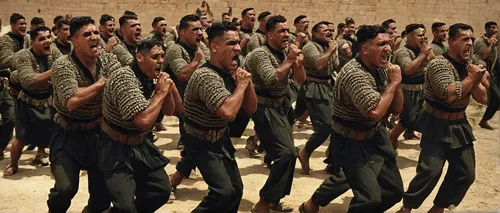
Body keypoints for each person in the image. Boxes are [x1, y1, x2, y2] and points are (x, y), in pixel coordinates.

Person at [397, 23, 488, 213]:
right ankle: (407, 207)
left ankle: (438, 207)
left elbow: (482, 97)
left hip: (459, 124)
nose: (470, 44)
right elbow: (449, 94)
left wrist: (475, 78)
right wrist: (472, 78)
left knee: (466, 173)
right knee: (430, 172)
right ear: (452, 41)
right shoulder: (439, 64)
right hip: (436, 123)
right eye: (465, 39)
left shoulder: (467, 66)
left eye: (471, 39)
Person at [47, 16, 121, 213]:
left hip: (99, 135)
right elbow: (71, 100)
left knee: (102, 197)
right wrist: (101, 84)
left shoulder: (108, 59)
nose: (94, 37)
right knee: (64, 189)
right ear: (74, 41)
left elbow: (121, 85)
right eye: (87, 34)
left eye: (96, 33)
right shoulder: (63, 64)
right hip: (67, 135)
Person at [97, 39, 181, 212]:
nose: (160, 61)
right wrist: (160, 93)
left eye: (162, 56)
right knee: (125, 206)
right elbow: (142, 120)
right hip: (116, 146)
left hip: (140, 143)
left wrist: (169, 89)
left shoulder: (152, 77)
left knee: (160, 191)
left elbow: (172, 110)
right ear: (140, 58)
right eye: (155, 56)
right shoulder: (124, 78)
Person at [182, 21, 257, 212]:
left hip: (219, 138)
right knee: (222, 193)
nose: (238, 48)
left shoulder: (230, 72)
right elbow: (228, 113)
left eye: (238, 43)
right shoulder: (206, 76)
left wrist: (246, 85)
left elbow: (251, 108)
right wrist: (241, 85)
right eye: (231, 43)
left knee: (236, 190)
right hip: (200, 142)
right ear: (214, 47)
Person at [329, 25, 404, 212]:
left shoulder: (379, 68)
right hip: (351, 142)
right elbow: (375, 112)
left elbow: (396, 109)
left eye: (388, 43)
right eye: (381, 44)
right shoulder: (355, 73)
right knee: (369, 199)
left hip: (374, 137)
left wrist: (396, 84)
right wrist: (393, 83)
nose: (388, 48)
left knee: (394, 192)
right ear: (364, 49)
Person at [245, 15, 306, 213]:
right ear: (270, 35)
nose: (286, 34)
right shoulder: (260, 54)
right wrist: (289, 59)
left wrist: (297, 64)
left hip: (281, 107)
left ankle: (275, 199)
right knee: (285, 153)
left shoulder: (284, 53)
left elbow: (300, 79)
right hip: (264, 108)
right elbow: (271, 80)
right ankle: (264, 202)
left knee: (289, 155)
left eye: (287, 30)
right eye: (281, 31)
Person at [5, 26, 63, 175]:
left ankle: (40, 154)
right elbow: (29, 81)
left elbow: (64, 66)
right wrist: (55, 71)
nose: (47, 41)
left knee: (48, 132)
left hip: (47, 100)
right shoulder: (22, 56)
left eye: (49, 37)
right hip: (26, 101)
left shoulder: (53, 50)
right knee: (21, 136)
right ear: (33, 41)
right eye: (42, 38)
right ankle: (13, 164)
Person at [297, 21, 339, 175]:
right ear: (314, 34)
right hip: (314, 88)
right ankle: (305, 152)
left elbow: (335, 65)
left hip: (328, 87)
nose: (328, 33)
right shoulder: (310, 47)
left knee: (338, 125)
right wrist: (331, 51)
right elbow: (319, 65)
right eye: (324, 30)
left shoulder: (328, 46)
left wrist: (332, 51)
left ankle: (333, 161)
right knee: (325, 125)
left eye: (329, 30)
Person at [390, 24, 434, 148]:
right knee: (408, 118)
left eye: (424, 35)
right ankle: (393, 135)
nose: (423, 38)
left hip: (422, 90)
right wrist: (422, 55)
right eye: (419, 35)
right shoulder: (403, 52)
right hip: (406, 91)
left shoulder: (422, 50)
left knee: (422, 117)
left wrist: (427, 52)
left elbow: (433, 62)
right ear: (409, 37)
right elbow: (408, 69)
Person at [0, 13, 28, 162]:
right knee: (10, 118)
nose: (23, 26)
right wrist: (28, 59)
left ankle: (40, 151)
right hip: (9, 86)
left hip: (27, 87)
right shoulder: (6, 40)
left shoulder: (28, 39)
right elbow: (5, 61)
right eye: (20, 24)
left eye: (25, 23)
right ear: (12, 25)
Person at [474, 21, 499, 130]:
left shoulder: (492, 41)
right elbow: (483, 56)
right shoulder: (480, 41)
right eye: (492, 28)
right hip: (482, 75)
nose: (494, 30)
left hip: (493, 75)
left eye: (495, 27)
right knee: (496, 99)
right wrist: (492, 44)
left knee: (496, 100)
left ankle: (484, 120)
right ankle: (482, 120)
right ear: (486, 29)